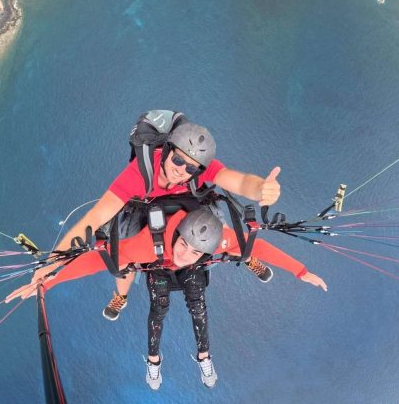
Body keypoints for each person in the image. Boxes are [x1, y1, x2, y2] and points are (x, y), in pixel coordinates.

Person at [7, 208, 327, 390]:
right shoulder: (145, 245)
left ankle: (203, 357)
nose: (185, 254)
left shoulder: (215, 239)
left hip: (186, 264)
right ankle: (154, 362)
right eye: (184, 246)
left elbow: (256, 246)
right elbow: (94, 262)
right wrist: (48, 284)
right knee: (158, 310)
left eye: (195, 251)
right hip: (157, 266)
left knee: (198, 306)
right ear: (177, 235)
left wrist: (301, 271)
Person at [36, 119, 283, 322]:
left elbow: (238, 181)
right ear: (166, 152)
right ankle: (121, 295)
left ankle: (247, 256)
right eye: (177, 160)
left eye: (191, 169)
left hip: (188, 202)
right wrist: (53, 264)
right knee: (121, 258)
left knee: (219, 231)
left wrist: (261, 188)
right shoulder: (139, 175)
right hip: (144, 206)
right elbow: (95, 218)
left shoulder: (199, 168)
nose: (182, 170)